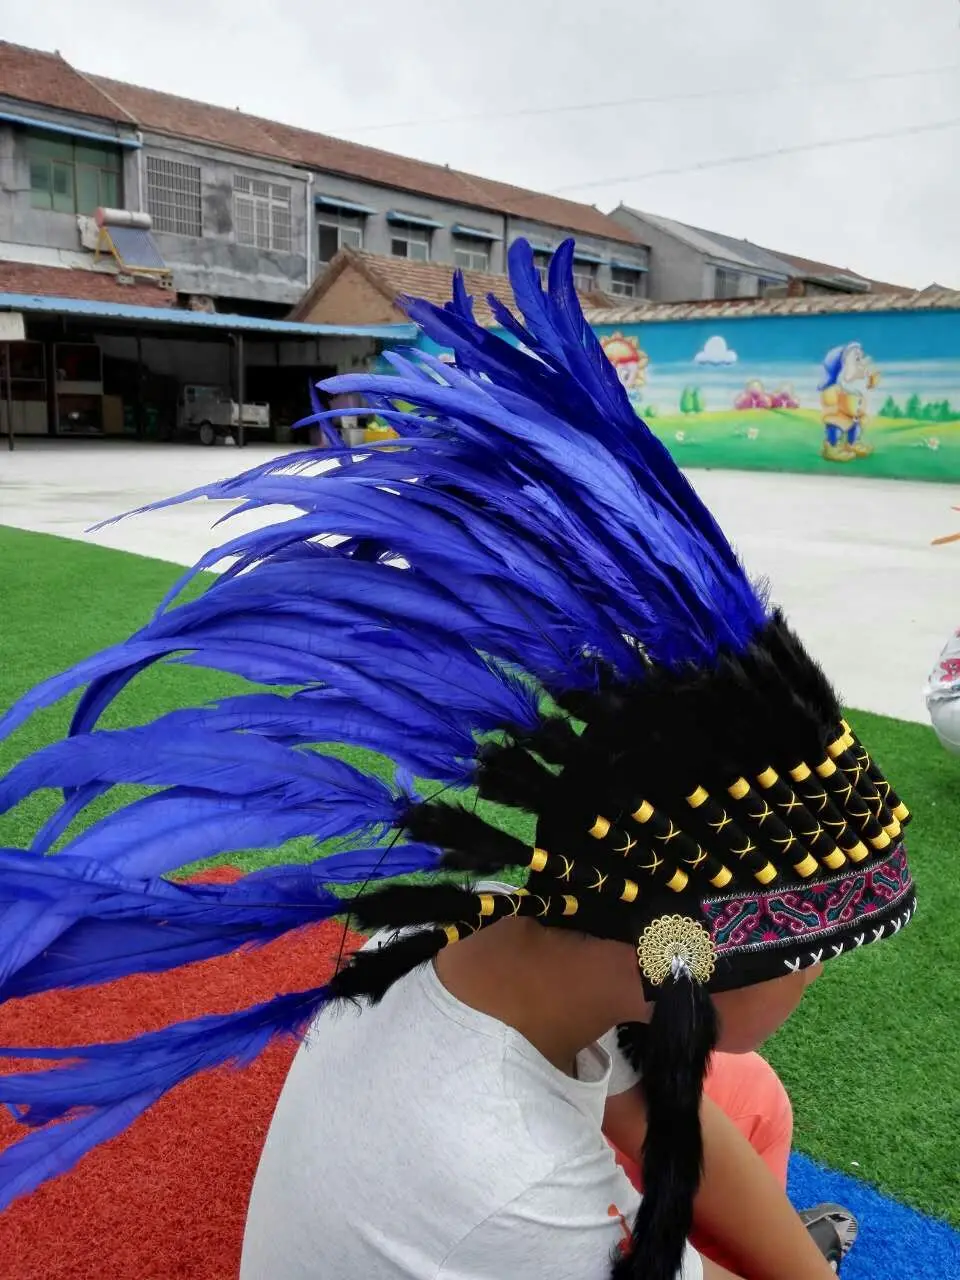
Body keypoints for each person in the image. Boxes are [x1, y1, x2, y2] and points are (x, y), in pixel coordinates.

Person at [0, 241, 914, 1280]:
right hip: (503, 1216)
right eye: (817, 943)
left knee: (744, 1099)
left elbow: (661, 1103)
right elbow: (566, 1181)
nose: (822, 969)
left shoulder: (500, 922)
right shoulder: (516, 1202)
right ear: (690, 950)